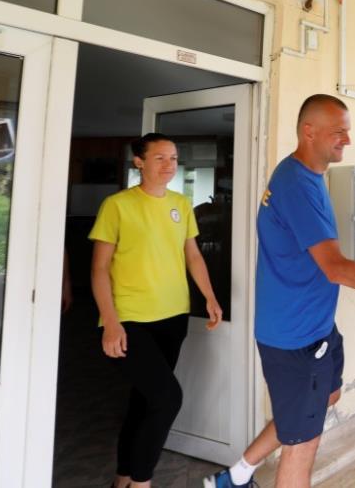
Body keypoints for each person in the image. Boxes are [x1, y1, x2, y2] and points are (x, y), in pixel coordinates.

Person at [204, 94, 355, 488]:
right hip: (295, 339)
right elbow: (335, 267)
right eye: (339, 132)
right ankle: (239, 476)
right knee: (301, 445)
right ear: (309, 132)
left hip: (317, 329)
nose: (347, 140)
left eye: (347, 131)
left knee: (325, 398)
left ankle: (237, 474)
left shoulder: (306, 176)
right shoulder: (296, 185)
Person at [90, 133, 224, 488]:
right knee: (167, 398)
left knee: (145, 400)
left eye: (174, 158)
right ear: (139, 162)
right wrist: (110, 323)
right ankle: (141, 482)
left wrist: (209, 297)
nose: (169, 165)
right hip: (129, 319)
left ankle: (122, 478)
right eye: (160, 158)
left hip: (173, 317)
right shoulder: (117, 205)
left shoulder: (181, 203)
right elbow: (99, 268)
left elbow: (192, 255)